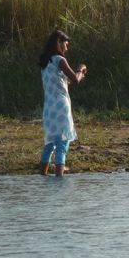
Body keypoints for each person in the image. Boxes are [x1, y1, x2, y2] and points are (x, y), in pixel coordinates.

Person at [38, 30, 87, 176]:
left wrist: (77, 75)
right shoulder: (60, 60)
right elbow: (76, 79)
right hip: (61, 107)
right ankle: (59, 178)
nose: (67, 47)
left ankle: (43, 175)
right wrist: (81, 69)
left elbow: (63, 82)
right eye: (65, 44)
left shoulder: (45, 62)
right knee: (62, 144)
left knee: (49, 145)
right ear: (58, 43)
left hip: (49, 109)